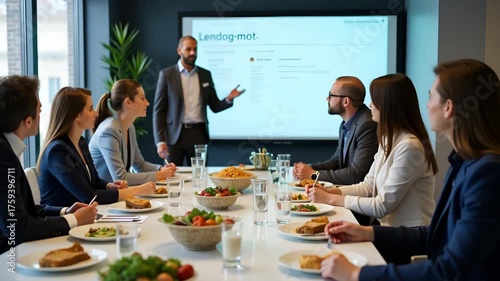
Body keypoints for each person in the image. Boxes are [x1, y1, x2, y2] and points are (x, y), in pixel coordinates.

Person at [320, 59, 500, 281]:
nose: (427, 105)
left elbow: (452, 268)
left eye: (431, 96)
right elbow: (434, 234)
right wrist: (367, 232)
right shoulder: (463, 162)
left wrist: (358, 274)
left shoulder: (486, 173)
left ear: (448, 107)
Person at [307, 74, 437, 228]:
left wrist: (330, 198)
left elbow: (381, 206)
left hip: (410, 237)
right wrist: (331, 191)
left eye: (374, 100)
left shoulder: (409, 146)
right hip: (390, 231)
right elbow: (368, 186)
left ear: (388, 105)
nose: (370, 105)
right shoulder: (389, 139)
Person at [0, 76, 97, 254]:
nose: (42, 111)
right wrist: (73, 219)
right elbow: (18, 228)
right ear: (28, 121)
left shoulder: (7, 150)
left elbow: (23, 210)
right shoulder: (3, 157)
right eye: (39, 109)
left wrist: (65, 211)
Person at [38, 87, 156, 207]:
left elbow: (94, 181)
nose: (96, 113)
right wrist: (138, 190)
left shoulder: (81, 143)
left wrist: (109, 186)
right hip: (65, 221)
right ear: (77, 115)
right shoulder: (58, 152)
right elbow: (89, 196)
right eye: (90, 109)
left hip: (85, 215)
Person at [153, 35, 245, 166]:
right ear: (179, 51)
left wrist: (229, 98)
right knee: (171, 178)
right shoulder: (167, 75)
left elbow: (215, 106)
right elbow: (159, 111)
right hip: (174, 137)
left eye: (195, 49)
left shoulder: (205, 74)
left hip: (199, 135)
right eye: (188, 49)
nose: (192, 53)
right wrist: (160, 141)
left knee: (199, 177)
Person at [293, 76, 378, 185]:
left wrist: (313, 174)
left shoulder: (367, 125)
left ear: (346, 101)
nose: (327, 99)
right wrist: (308, 168)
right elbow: (337, 161)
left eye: (331, 95)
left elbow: (356, 175)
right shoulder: (346, 123)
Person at [90, 79, 176, 185]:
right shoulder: (109, 131)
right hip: (103, 197)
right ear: (128, 102)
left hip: (119, 195)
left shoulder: (130, 127)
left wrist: (161, 169)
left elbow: (139, 165)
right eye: (142, 98)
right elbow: (120, 177)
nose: (147, 103)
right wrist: (161, 175)